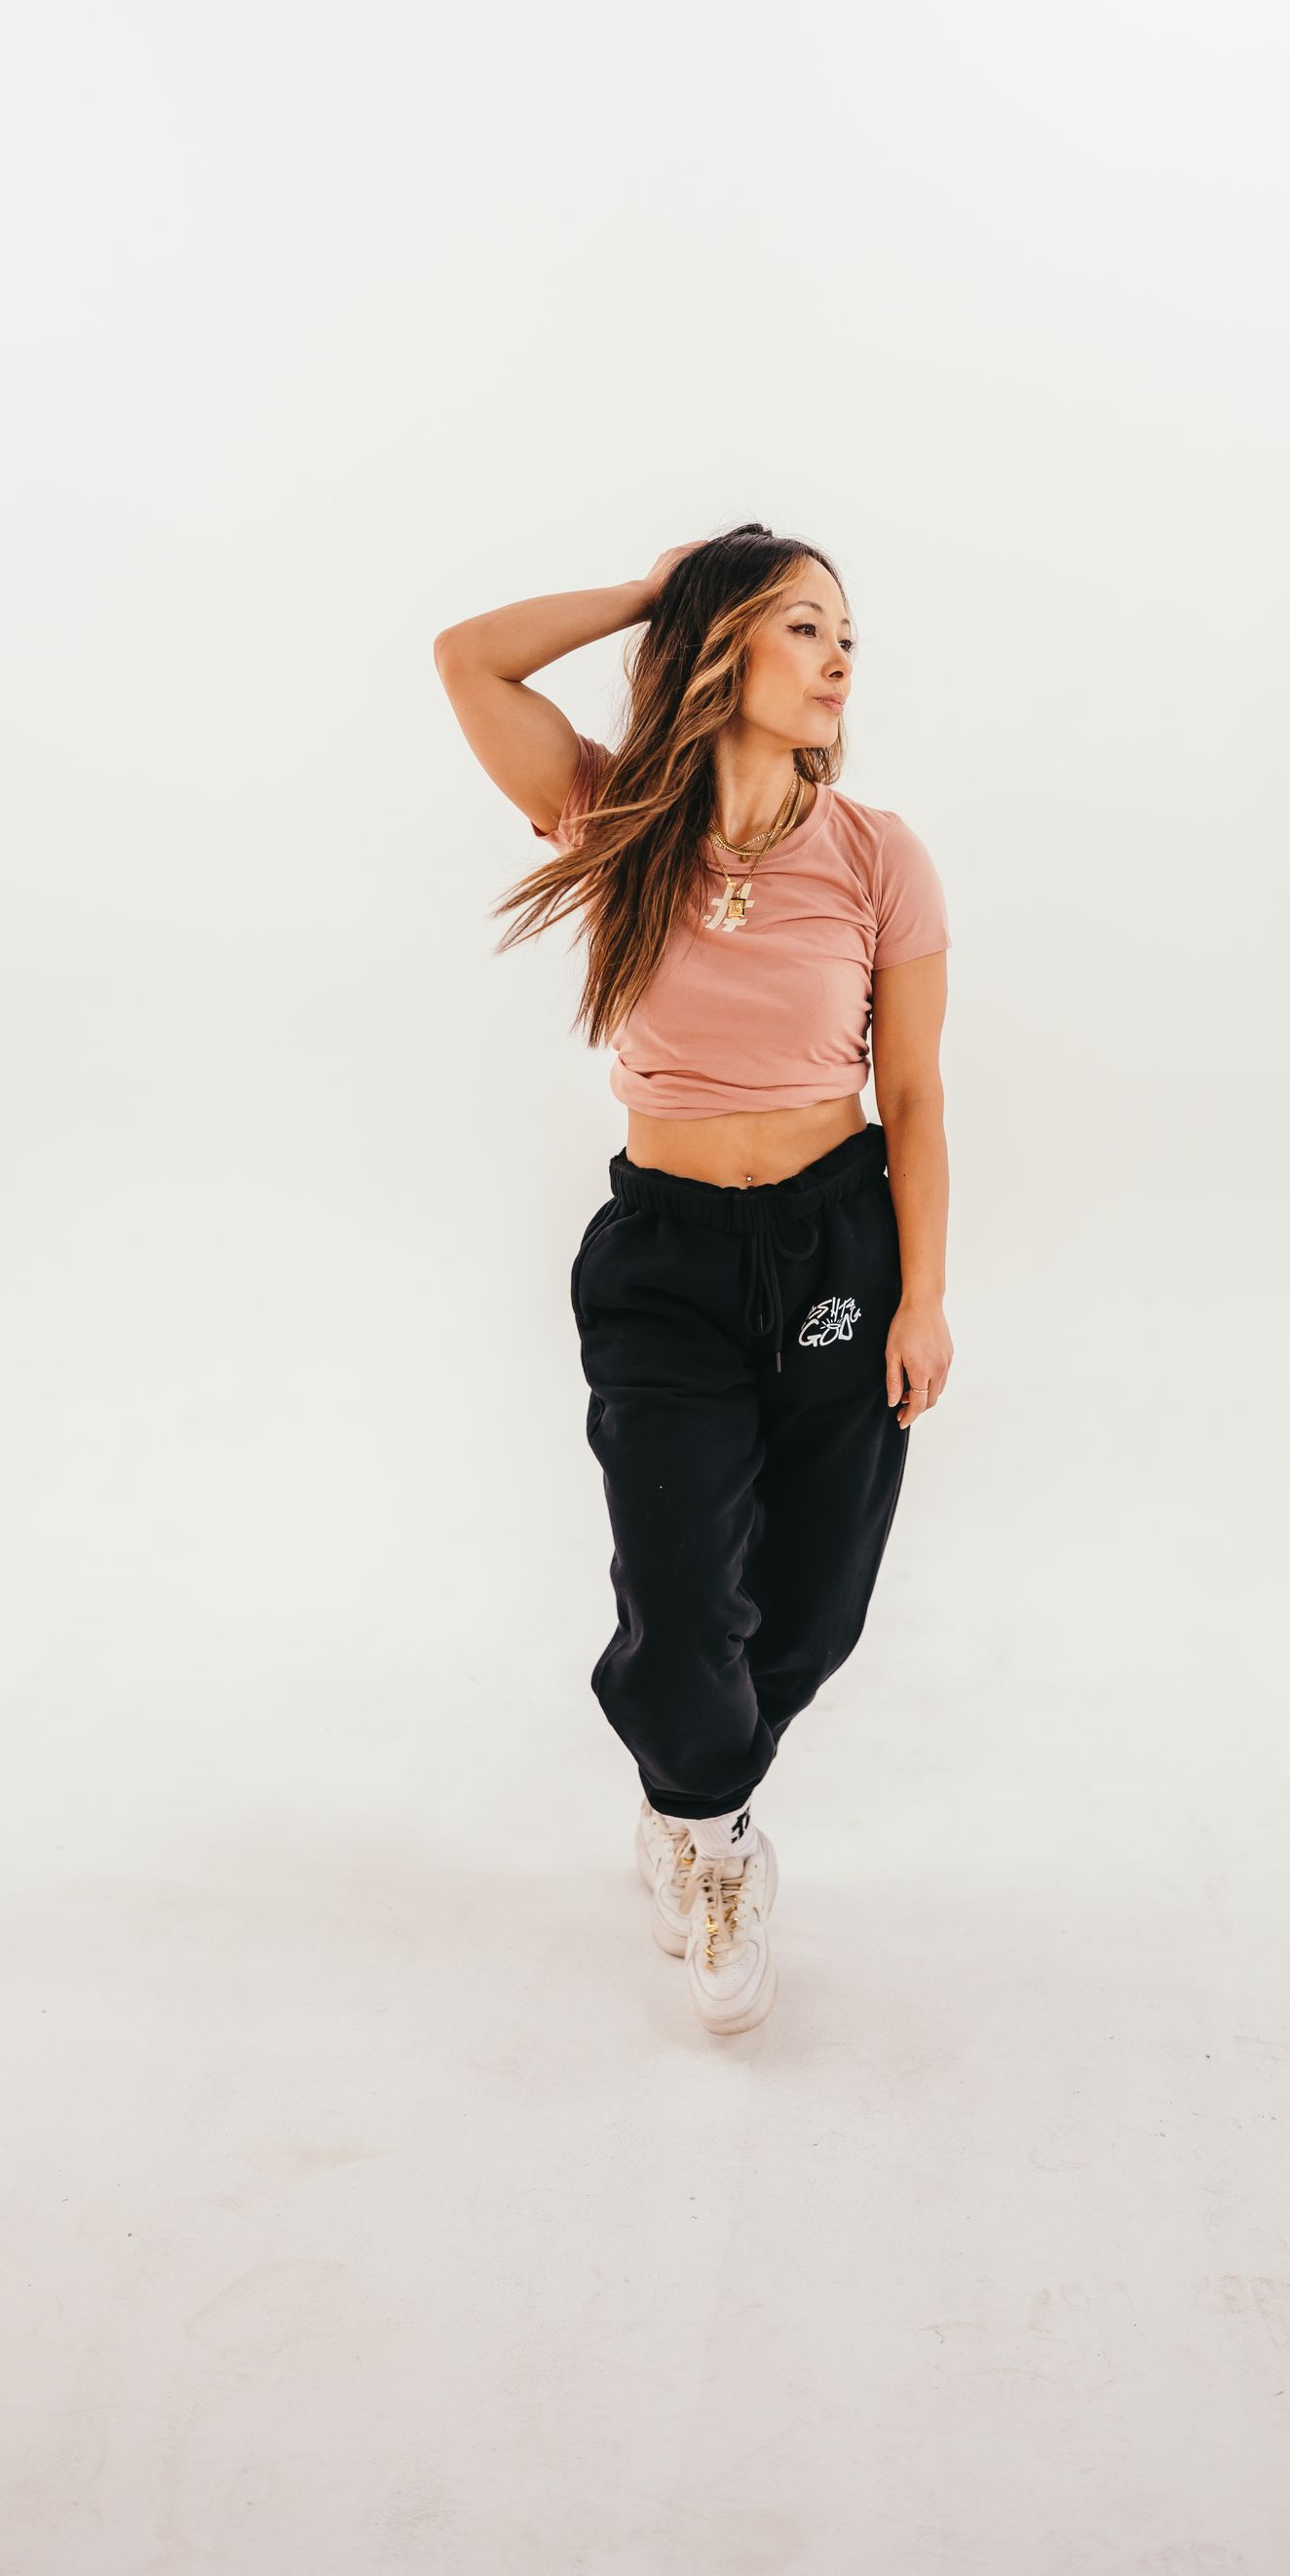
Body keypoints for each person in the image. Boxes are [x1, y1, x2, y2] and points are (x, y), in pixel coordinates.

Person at [434, 524, 951, 2035]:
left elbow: (913, 1098)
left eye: (848, 629)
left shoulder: (879, 856)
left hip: (836, 1243)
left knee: (809, 1612)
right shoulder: (616, 815)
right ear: (725, 649)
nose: (842, 654)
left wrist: (922, 1296)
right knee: (677, 1588)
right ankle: (711, 1828)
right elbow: (467, 657)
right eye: (804, 625)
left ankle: (689, 1799)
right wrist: (657, 593)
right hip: (664, 1255)